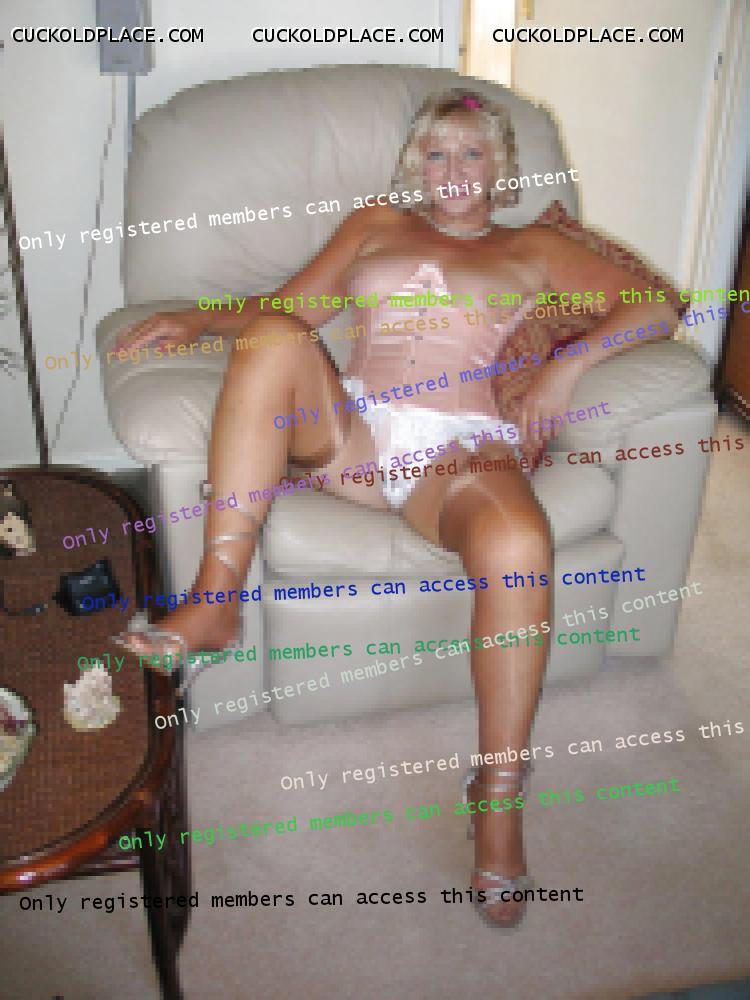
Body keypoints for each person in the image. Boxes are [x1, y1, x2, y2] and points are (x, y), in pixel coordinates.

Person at [113, 89, 678, 928]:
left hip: (458, 448)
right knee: (273, 340)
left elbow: (655, 305)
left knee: (519, 542)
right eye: (437, 153)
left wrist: (565, 369)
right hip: (355, 435)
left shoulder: (534, 246)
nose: (454, 170)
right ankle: (215, 599)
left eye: (473, 152)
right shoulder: (375, 224)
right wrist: (194, 318)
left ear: (501, 166)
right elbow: (287, 309)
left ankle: (498, 793)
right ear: (417, 164)